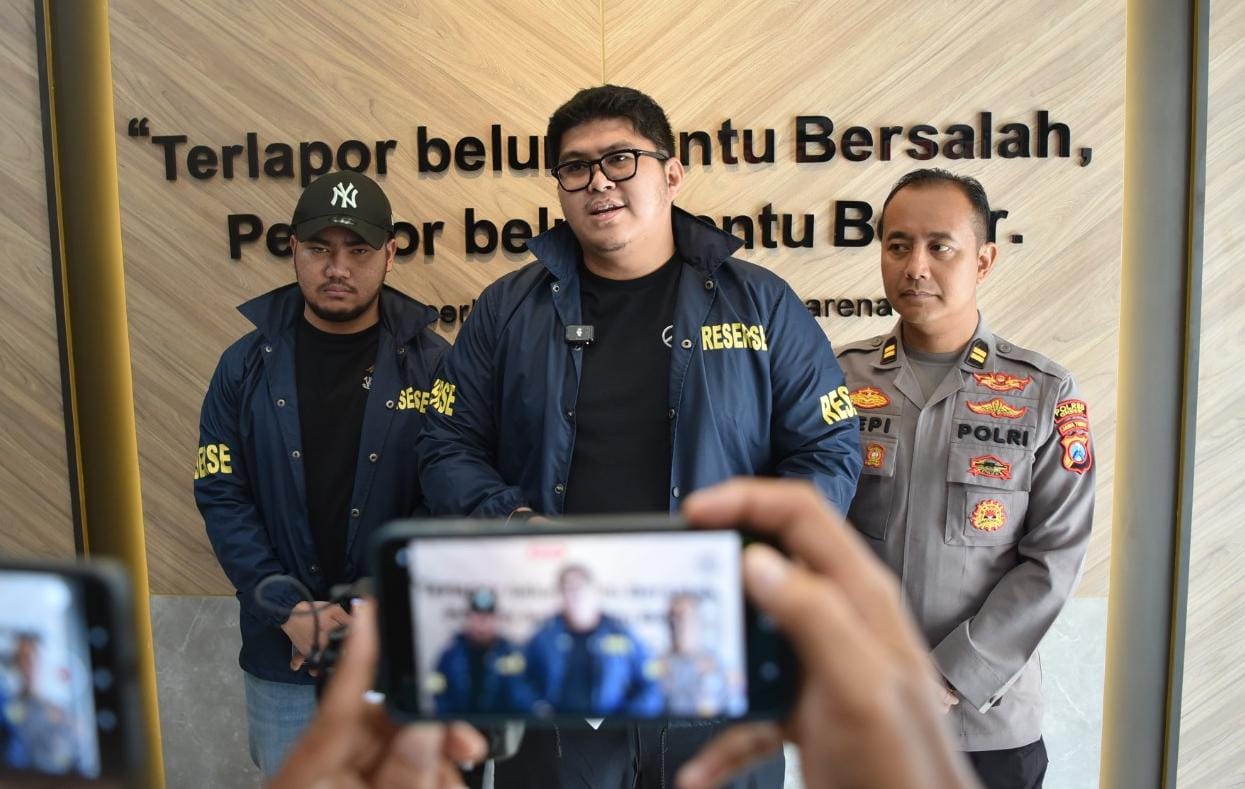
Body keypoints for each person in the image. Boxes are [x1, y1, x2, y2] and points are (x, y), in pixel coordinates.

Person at [417, 83, 861, 788]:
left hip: (714, 653)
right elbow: (445, 446)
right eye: (575, 167)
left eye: (620, 159)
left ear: (671, 172)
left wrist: (746, 554)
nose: (598, 181)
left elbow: (828, 450)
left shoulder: (760, 303)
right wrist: (513, 524)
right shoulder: (506, 310)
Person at [268, 479, 978, 789]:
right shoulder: (526, 641)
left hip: (676, 739)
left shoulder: (633, 639)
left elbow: (645, 679)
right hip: (561, 754)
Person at [835, 168, 1095, 788]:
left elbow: (1055, 558)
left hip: (986, 727)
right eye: (898, 246)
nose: (915, 266)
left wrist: (951, 673)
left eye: (940, 247)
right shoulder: (837, 379)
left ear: (983, 260)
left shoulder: (1044, 391)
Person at [194, 171, 449, 775]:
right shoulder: (243, 366)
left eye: (358, 250)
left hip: (397, 649)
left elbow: (446, 498)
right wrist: (288, 610)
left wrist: (374, 604)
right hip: (282, 652)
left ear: (390, 253)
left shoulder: (436, 365)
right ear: (293, 250)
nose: (338, 268)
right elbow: (222, 494)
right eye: (319, 249)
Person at [523, 565, 662, 718]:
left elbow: (651, 685)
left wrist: (626, 721)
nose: (574, 594)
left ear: (594, 591)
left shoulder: (620, 633)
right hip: (557, 727)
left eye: (579, 587)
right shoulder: (545, 636)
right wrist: (537, 708)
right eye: (566, 589)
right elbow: (521, 679)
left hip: (611, 726)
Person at [432, 588, 535, 715]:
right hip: (460, 723)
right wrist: (448, 718)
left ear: (495, 619)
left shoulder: (510, 654)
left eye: (487, 618)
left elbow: (521, 691)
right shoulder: (451, 655)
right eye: (477, 617)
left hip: (499, 724)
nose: (482, 624)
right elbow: (436, 687)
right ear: (468, 618)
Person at [654, 594, 738, 718]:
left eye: (681, 617)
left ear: (697, 620)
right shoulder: (657, 663)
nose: (675, 624)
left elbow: (731, 708)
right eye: (671, 617)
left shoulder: (715, 663)